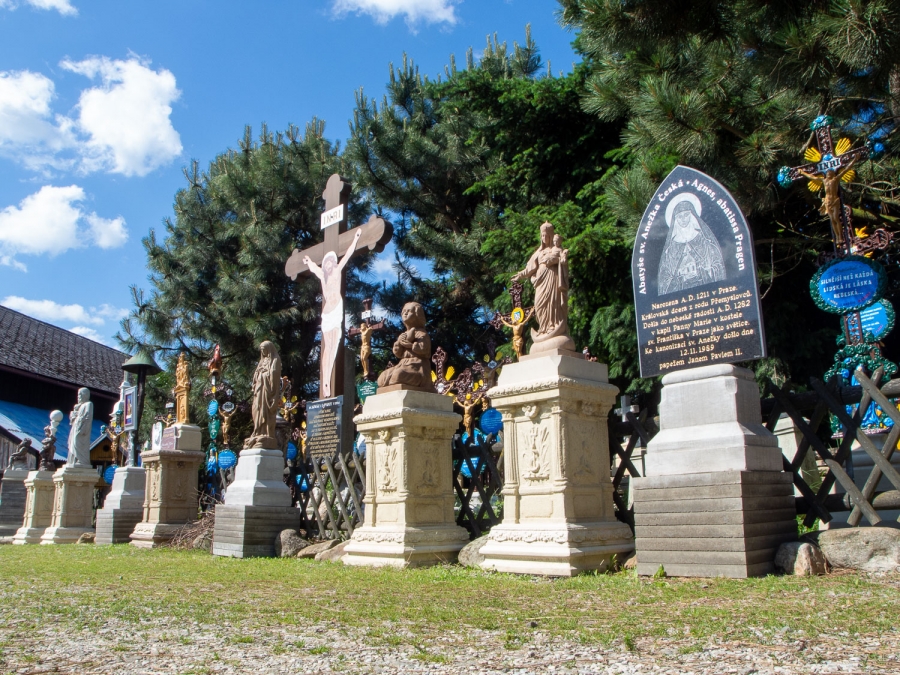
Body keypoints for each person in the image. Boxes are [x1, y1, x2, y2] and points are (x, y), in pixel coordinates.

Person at [304, 228, 362, 397]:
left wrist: (356, 239)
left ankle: (328, 377)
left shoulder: (337, 271)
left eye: (330, 262)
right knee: (327, 347)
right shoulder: (323, 276)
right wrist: (308, 262)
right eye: (326, 263)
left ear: (334, 263)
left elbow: (348, 255)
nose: (328, 265)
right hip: (327, 314)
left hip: (336, 310)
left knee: (334, 345)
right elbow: (314, 269)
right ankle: (325, 380)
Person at [512, 222, 574, 351]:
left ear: (551, 235)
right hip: (541, 282)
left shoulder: (557, 249)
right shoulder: (539, 252)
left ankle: (553, 326)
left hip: (553, 280)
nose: (544, 238)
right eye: (542, 235)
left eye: (546, 235)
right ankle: (543, 329)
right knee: (539, 305)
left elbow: (563, 261)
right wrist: (520, 275)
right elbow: (529, 269)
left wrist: (558, 260)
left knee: (553, 303)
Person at [657, 197, 725, 295]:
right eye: (680, 216)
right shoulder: (671, 249)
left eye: (686, 215)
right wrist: (680, 278)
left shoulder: (704, 241)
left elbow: (718, 264)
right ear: (675, 219)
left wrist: (707, 270)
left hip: (707, 293)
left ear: (692, 215)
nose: (683, 219)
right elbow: (664, 279)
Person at [377, 302, 433, 390]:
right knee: (382, 378)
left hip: (417, 366)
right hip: (402, 364)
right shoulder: (403, 335)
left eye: (409, 311)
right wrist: (399, 344)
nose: (405, 313)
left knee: (398, 375)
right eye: (404, 311)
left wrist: (410, 345)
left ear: (417, 315)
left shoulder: (421, 333)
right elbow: (398, 354)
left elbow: (424, 350)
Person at [244, 341, 282, 449]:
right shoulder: (262, 361)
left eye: (264, 349)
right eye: (261, 349)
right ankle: (257, 431)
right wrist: (259, 373)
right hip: (259, 390)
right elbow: (256, 375)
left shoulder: (275, 359)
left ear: (269, 349)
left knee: (265, 411)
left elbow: (274, 374)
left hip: (267, 391)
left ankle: (266, 434)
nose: (263, 351)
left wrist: (264, 373)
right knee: (256, 409)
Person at [67, 388, 94, 467]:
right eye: (78, 395)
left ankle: (81, 460)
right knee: (72, 442)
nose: (78, 397)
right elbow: (73, 419)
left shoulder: (89, 404)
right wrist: (74, 412)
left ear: (85, 395)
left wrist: (84, 428)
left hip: (82, 427)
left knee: (78, 443)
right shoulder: (79, 406)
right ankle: (73, 459)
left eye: (80, 394)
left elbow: (88, 417)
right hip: (76, 426)